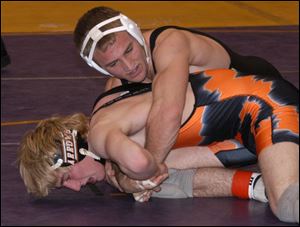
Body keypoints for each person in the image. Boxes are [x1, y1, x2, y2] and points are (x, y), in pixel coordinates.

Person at [18, 68, 298, 223]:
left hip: (263, 107)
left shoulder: (107, 134)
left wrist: (130, 180)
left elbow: (141, 166)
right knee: (160, 182)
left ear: (72, 150)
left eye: (67, 178)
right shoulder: (109, 115)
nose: (77, 188)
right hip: (247, 133)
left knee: (287, 206)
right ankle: (258, 185)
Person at [73, 6, 286, 194]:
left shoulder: (169, 44)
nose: (129, 66)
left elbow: (169, 112)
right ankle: (255, 186)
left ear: (135, 32)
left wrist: (145, 175)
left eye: (129, 50)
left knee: (156, 155)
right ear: (99, 68)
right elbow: (122, 143)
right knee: (154, 157)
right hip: (232, 137)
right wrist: (119, 166)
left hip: (271, 105)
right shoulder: (115, 88)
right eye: (113, 64)